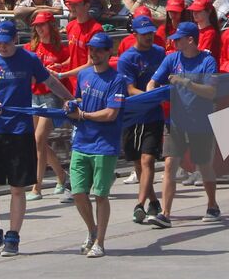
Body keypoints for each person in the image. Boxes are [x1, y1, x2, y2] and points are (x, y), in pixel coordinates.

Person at [0, 19, 75, 257]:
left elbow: (48, 81)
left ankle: (13, 236)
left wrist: (69, 97)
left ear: (15, 40)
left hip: (20, 131)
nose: (3, 47)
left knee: (17, 187)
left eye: (7, 43)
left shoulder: (28, 59)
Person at [147, 20, 220, 227]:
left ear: (190, 39)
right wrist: (150, 90)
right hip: (176, 121)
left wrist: (186, 82)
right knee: (170, 164)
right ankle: (165, 213)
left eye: (178, 39)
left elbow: (212, 91)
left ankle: (212, 205)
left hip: (200, 122)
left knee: (204, 165)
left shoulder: (207, 61)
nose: (174, 42)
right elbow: (154, 80)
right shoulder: (172, 59)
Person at [67, 32, 127, 258]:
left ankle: (100, 241)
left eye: (99, 50)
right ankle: (92, 229)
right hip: (82, 142)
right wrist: (72, 105)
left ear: (109, 52)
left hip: (104, 144)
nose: (94, 53)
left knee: (100, 195)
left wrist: (84, 115)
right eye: (92, 49)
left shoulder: (116, 79)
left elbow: (112, 113)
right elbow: (80, 99)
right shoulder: (83, 75)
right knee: (78, 192)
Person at [118, 14, 167, 223]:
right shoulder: (127, 59)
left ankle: (139, 204)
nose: (149, 37)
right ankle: (154, 201)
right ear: (135, 34)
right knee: (138, 163)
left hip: (153, 116)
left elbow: (166, 79)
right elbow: (129, 89)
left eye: (151, 33)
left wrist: (160, 93)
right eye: (144, 34)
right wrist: (152, 95)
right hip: (133, 116)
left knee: (148, 160)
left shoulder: (160, 53)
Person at [27, 11, 73, 201]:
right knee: (39, 141)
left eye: (42, 25)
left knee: (39, 139)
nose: (39, 28)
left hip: (51, 96)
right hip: (34, 95)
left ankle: (36, 187)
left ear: (51, 26)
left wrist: (59, 68)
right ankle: (61, 175)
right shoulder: (32, 48)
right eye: (37, 25)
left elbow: (71, 62)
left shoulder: (61, 48)